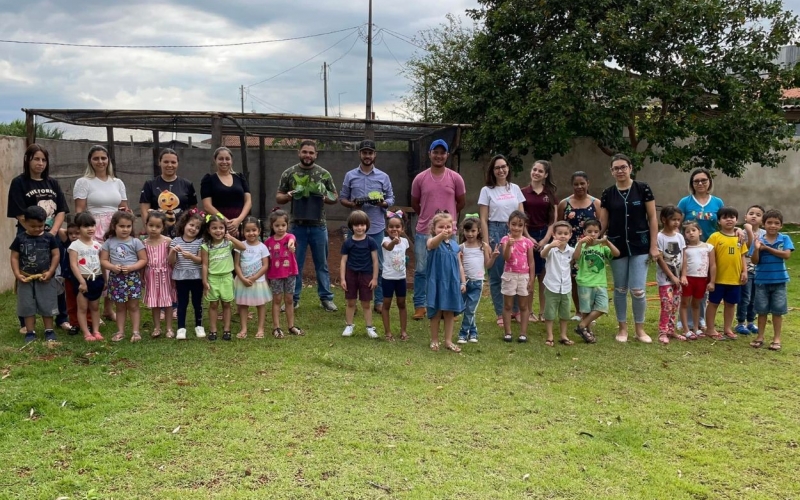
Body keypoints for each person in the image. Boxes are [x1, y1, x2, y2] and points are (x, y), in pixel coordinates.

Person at [7, 144, 69, 333]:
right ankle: (25, 323)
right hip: (27, 237)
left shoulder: (52, 183)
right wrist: (34, 233)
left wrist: (51, 233)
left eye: (43, 159)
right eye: (36, 159)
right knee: (27, 277)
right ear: (28, 160)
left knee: (55, 276)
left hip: (50, 237)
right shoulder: (19, 183)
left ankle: (61, 318)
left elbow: (61, 210)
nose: (40, 163)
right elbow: (19, 213)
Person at [598, 153, 659, 343]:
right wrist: (597, 239)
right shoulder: (608, 193)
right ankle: (622, 328)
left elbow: (653, 218)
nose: (620, 171)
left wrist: (654, 245)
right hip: (616, 245)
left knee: (638, 290)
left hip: (640, 245)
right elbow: (603, 221)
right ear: (611, 171)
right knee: (620, 289)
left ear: (630, 168)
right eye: (616, 168)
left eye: (623, 167)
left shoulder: (643, 189)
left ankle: (640, 329)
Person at [276, 140, 338, 312]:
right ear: (299, 152)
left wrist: (326, 197)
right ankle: (293, 299)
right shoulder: (289, 173)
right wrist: (288, 195)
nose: (308, 155)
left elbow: (335, 196)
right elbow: (278, 197)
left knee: (322, 264)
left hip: (319, 225)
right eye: (305, 152)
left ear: (316, 154)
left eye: (311, 152)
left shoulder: (323, 174)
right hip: (297, 227)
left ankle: (326, 298)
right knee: (296, 263)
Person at [411, 139, 466, 320]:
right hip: (424, 231)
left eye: (443, 153)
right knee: (422, 269)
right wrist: (431, 222)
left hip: (449, 232)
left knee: (449, 269)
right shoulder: (420, 178)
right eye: (436, 152)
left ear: (447, 156)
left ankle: (449, 306)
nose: (439, 156)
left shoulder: (455, 178)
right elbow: (415, 203)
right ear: (430, 154)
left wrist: (446, 224)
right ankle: (421, 305)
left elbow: (461, 202)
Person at [74, 145, 129, 322]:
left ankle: (108, 308)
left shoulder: (117, 182)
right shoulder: (83, 182)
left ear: (108, 160)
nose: (100, 161)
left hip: (114, 228)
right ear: (90, 160)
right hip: (94, 227)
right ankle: (93, 310)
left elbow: (124, 208)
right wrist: (84, 232)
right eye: (96, 158)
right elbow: (79, 210)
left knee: (113, 267)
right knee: (96, 268)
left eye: (103, 158)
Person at [339, 139, 395, 313]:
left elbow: (391, 199)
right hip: (355, 227)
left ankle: (378, 301)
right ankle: (352, 301)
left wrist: (382, 203)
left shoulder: (383, 177)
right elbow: (342, 198)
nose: (367, 156)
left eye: (370, 153)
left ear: (374, 155)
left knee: (377, 262)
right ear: (360, 154)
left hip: (376, 227)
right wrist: (352, 204)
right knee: (352, 264)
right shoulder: (350, 175)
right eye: (364, 152)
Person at [477, 155, 525, 327]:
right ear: (492, 171)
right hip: (495, 231)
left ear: (508, 168)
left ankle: (517, 310)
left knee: (517, 272)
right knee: (497, 274)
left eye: (504, 166)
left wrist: (523, 236)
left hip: (515, 231)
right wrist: (486, 241)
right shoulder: (486, 190)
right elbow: (483, 219)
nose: (501, 170)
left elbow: (521, 215)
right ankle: (500, 312)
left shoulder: (515, 188)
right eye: (497, 167)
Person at [676, 168, 724, 332]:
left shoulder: (717, 202)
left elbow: (724, 222)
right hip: (688, 249)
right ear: (692, 184)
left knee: (703, 285)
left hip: (708, 249)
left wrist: (738, 231)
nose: (700, 183)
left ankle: (700, 319)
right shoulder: (685, 202)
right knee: (686, 284)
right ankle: (683, 321)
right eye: (696, 181)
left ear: (709, 181)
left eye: (704, 180)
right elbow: (676, 223)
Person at [10, 206, 60, 343]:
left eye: (40, 226)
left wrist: (50, 272)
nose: (37, 229)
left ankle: (49, 330)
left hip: (45, 277)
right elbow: (14, 257)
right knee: (27, 305)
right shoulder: (20, 239)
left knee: (47, 303)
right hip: (25, 277)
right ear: (24, 222)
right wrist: (17, 273)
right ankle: (30, 331)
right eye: (33, 226)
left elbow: (56, 254)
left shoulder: (49, 238)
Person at [557, 171, 601, 319]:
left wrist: (597, 243)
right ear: (572, 185)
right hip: (571, 248)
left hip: (590, 248)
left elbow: (601, 226)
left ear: (588, 184)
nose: (579, 186)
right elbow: (559, 225)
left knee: (590, 279)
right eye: (576, 184)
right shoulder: (564, 203)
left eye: (582, 183)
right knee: (575, 279)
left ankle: (589, 312)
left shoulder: (596, 203)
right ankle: (578, 311)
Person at [100, 211, 147, 342]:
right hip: (116, 279)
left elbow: (143, 260)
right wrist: (112, 267)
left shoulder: (136, 242)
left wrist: (132, 267)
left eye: (128, 226)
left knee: (133, 306)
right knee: (120, 307)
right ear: (114, 226)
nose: (125, 229)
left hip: (132, 278)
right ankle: (120, 331)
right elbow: (103, 260)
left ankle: (136, 332)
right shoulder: (109, 242)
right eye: (122, 226)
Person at [750, 209, 793, 351]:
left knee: (777, 311)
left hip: (780, 281)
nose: (772, 226)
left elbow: (786, 255)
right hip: (761, 281)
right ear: (763, 224)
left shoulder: (784, 239)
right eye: (769, 223)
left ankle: (776, 338)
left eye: (776, 223)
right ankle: (760, 337)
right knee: (761, 311)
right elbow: (755, 261)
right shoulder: (758, 240)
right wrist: (757, 249)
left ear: (781, 225)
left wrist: (767, 249)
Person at [521, 160, 557, 322]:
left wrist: (546, 239)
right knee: (530, 276)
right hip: (527, 234)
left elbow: (553, 220)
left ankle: (543, 312)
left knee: (543, 276)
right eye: (534, 169)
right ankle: (528, 312)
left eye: (540, 171)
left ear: (546, 175)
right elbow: (520, 218)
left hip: (544, 236)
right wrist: (528, 237)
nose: (536, 173)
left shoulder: (550, 194)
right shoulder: (522, 193)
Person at [572, 219, 619, 343]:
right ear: (584, 232)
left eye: (596, 231)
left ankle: (581, 326)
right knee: (586, 310)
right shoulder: (581, 245)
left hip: (600, 282)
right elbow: (575, 257)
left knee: (602, 307)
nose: (593, 234)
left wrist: (607, 242)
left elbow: (616, 253)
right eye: (589, 231)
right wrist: (580, 243)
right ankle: (587, 332)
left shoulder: (602, 246)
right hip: (584, 282)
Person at [704, 207, 748, 341]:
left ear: (736, 220)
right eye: (725, 217)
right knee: (713, 303)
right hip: (718, 279)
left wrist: (745, 271)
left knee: (730, 304)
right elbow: (707, 257)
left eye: (732, 217)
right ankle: (710, 329)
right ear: (719, 221)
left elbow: (742, 256)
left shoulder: (739, 238)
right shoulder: (715, 237)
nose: (729, 219)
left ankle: (727, 328)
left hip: (734, 279)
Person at [426, 211, 466, 352]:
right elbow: (432, 244)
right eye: (441, 227)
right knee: (436, 312)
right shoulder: (432, 241)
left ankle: (448, 341)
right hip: (436, 282)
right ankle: (434, 340)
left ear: (453, 228)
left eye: (448, 227)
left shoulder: (455, 245)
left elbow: (459, 265)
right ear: (433, 229)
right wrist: (440, 236)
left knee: (449, 312)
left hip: (452, 282)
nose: (445, 230)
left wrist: (463, 282)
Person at [202, 214, 246, 341]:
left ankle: (227, 329)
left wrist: (231, 238)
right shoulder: (206, 246)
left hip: (227, 277)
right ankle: (213, 330)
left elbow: (243, 247)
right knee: (213, 305)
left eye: (221, 228)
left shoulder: (228, 243)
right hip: (212, 278)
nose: (218, 231)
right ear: (209, 230)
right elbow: (205, 265)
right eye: (214, 228)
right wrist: (204, 281)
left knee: (227, 304)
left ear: (225, 230)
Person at [139, 148, 198, 237]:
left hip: (182, 235)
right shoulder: (150, 184)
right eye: (166, 162)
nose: (169, 165)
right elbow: (144, 211)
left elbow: (193, 210)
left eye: (173, 162)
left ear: (178, 164)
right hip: (158, 235)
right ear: (159, 162)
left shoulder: (187, 184)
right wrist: (149, 230)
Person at [340, 211, 380, 339]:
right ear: (351, 226)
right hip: (351, 275)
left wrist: (374, 278)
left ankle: (369, 327)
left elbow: (375, 261)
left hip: (366, 275)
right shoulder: (347, 243)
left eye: (362, 225)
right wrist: (342, 278)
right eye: (356, 225)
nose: (359, 228)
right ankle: (349, 325)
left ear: (366, 225)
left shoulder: (371, 242)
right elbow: (343, 261)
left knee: (366, 303)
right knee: (351, 302)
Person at [457, 215, 497, 344]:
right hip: (464, 282)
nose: (470, 234)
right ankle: (473, 332)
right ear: (463, 231)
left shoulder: (483, 246)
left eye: (473, 231)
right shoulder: (461, 247)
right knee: (465, 308)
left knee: (470, 309)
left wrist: (494, 257)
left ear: (479, 230)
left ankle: (463, 334)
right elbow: (459, 265)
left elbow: (487, 265)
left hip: (478, 282)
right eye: (467, 231)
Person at [168, 210, 206, 340]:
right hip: (181, 278)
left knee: (197, 303)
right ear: (184, 224)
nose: (193, 229)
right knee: (182, 303)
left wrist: (191, 257)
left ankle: (199, 326)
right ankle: (181, 328)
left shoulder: (200, 242)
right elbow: (171, 261)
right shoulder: (175, 241)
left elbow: (202, 260)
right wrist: (173, 251)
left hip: (197, 277)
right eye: (191, 225)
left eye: (197, 227)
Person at [500, 211, 535, 343]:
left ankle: (523, 333)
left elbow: (531, 261)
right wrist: (509, 245)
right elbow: (506, 258)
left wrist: (531, 279)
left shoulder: (528, 242)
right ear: (508, 224)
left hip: (524, 276)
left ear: (524, 226)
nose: (516, 228)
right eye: (513, 224)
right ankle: (508, 332)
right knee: (508, 305)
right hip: (510, 275)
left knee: (523, 306)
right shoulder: (505, 240)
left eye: (520, 225)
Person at [265, 209, 301, 338]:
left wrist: (291, 246)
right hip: (275, 275)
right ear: (272, 226)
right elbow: (266, 260)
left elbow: (292, 240)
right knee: (277, 300)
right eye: (277, 225)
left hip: (290, 273)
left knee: (289, 299)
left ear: (287, 225)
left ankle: (291, 326)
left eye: (283, 225)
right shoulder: (268, 242)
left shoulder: (289, 237)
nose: (280, 228)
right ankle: (276, 327)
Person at [234, 216, 272, 339]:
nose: (251, 233)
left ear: (259, 231)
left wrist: (254, 278)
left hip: (258, 282)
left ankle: (260, 329)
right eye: (248, 231)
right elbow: (236, 265)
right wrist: (242, 278)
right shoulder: (240, 246)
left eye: (254, 230)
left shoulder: (262, 247)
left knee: (260, 305)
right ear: (242, 232)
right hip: (242, 281)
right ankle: (243, 328)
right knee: (243, 305)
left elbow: (265, 266)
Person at [200, 147, 252, 238]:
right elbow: (207, 206)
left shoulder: (240, 177)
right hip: (217, 226)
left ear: (231, 160)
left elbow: (248, 201)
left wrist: (238, 221)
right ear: (215, 160)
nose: (224, 162)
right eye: (220, 159)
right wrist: (225, 222)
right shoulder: (208, 180)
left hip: (240, 224)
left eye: (227, 159)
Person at [69, 213, 105, 342]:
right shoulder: (75, 246)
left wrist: (105, 279)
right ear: (78, 228)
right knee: (83, 308)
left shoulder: (98, 245)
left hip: (97, 279)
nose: (90, 229)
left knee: (95, 307)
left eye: (92, 225)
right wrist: (81, 281)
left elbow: (102, 263)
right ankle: (86, 333)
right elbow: (73, 265)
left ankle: (96, 330)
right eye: (86, 226)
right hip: (82, 281)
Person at [540, 221, 576, 347]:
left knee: (565, 313)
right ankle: (550, 336)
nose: (563, 236)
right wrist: (550, 246)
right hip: (551, 286)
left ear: (570, 235)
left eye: (566, 233)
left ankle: (563, 335)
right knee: (549, 313)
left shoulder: (571, 251)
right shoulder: (550, 249)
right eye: (559, 233)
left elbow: (577, 258)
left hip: (566, 286)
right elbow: (542, 254)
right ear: (554, 235)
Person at [655, 205, 686, 344]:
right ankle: (663, 331)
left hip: (678, 279)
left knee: (675, 305)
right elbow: (660, 259)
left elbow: (684, 257)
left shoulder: (679, 237)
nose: (676, 223)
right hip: (665, 279)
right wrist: (672, 276)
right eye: (673, 219)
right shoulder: (659, 237)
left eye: (678, 220)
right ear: (664, 219)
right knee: (666, 305)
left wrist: (683, 275)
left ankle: (671, 330)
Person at [679, 221, 715, 340]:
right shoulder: (685, 248)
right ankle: (685, 329)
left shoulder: (708, 247)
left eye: (693, 230)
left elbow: (713, 265)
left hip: (702, 279)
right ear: (684, 235)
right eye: (687, 232)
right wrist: (683, 276)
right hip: (688, 279)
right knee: (684, 303)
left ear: (700, 232)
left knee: (696, 304)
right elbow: (683, 264)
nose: (691, 233)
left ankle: (695, 327)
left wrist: (712, 281)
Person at [142, 211, 175, 339]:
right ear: (146, 225)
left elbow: (173, 260)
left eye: (157, 226)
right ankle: (157, 327)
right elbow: (143, 261)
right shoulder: (143, 243)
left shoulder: (167, 241)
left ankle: (169, 328)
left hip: (166, 275)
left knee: (167, 302)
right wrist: (141, 277)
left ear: (163, 227)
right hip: (151, 275)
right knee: (154, 303)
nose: (154, 229)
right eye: (151, 225)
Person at [381, 211, 413, 342]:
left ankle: (403, 331)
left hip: (401, 278)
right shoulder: (385, 240)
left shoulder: (405, 241)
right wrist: (394, 241)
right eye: (391, 227)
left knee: (402, 303)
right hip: (388, 278)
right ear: (386, 229)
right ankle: (388, 332)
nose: (394, 229)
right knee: (386, 304)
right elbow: (388, 248)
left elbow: (407, 250)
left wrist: (402, 236)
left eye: (398, 227)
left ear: (402, 228)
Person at [735, 205, 765, 336]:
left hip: (760, 271)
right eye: (751, 213)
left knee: (755, 298)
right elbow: (745, 249)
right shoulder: (740, 233)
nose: (754, 216)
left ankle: (750, 322)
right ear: (745, 217)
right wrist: (748, 231)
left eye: (758, 215)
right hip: (746, 270)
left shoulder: (764, 234)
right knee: (745, 298)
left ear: (762, 219)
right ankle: (740, 323)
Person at [57, 220, 81, 334]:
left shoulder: (86, 244)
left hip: (83, 278)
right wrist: (72, 227)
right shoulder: (67, 243)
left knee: (85, 302)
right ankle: (74, 324)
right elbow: (60, 230)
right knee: (71, 302)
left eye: (77, 233)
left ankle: (88, 323)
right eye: (71, 233)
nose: (74, 236)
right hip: (69, 278)